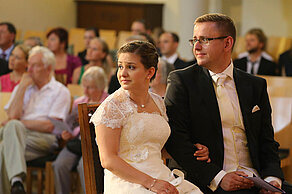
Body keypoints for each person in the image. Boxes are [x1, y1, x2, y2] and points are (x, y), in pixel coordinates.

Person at [165, 13, 284, 194]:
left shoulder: (255, 85)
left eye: (204, 40)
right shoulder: (182, 81)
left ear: (227, 43)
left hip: (256, 178)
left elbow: (266, 141)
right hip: (211, 180)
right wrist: (219, 177)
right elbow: (176, 140)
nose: (196, 47)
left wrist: (272, 179)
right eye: (194, 40)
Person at [90, 40, 210, 194]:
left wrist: (192, 149)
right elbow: (108, 160)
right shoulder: (112, 107)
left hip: (160, 175)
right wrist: (151, 183)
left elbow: (156, 148)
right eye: (120, 66)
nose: (123, 73)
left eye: (131, 67)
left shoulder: (159, 103)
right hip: (128, 182)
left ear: (150, 72)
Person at [0, 46, 71, 194]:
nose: (29, 69)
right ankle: (16, 183)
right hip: (17, 135)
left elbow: (50, 126)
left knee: (5, 144)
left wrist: (18, 123)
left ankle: (16, 183)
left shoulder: (60, 91)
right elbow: (13, 115)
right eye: (29, 65)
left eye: (35, 65)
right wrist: (22, 88)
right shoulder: (23, 87)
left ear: (48, 68)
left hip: (43, 139)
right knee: (7, 141)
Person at [53, 66, 108, 194]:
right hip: (76, 142)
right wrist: (67, 133)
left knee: (84, 168)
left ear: (100, 87)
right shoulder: (79, 101)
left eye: (90, 87)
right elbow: (70, 123)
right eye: (84, 86)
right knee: (59, 165)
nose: (86, 91)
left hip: (95, 145)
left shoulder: (107, 102)